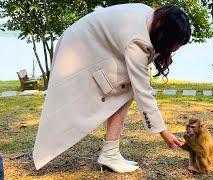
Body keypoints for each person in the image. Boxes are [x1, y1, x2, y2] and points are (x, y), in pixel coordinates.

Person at [33, 3, 191, 173]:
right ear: (165, 35)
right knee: (75, 103)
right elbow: (143, 91)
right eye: (176, 43)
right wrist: (163, 132)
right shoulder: (137, 41)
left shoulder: (150, 17)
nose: (176, 49)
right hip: (79, 47)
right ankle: (108, 152)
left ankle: (110, 152)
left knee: (125, 89)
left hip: (91, 43)